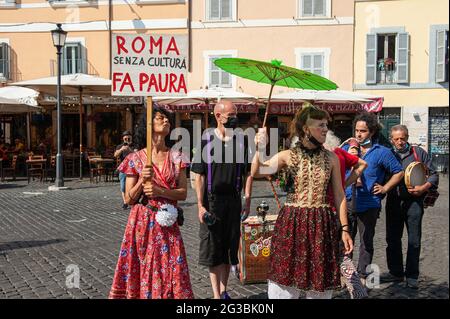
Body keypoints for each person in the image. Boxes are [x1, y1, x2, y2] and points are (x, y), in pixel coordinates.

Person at [250, 106, 353, 299]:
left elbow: (339, 194)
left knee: (319, 281)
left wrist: (345, 228)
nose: (326, 130)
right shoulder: (287, 155)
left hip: (321, 223)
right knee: (285, 278)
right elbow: (258, 172)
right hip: (292, 223)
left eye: (326, 125)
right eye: (320, 125)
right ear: (306, 129)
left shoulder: (331, 158)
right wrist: (259, 148)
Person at [109, 106, 194, 299]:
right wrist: (141, 180)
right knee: (144, 264)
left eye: (168, 119)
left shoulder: (177, 156)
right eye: (160, 118)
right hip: (142, 222)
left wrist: (160, 191)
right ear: (148, 125)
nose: (166, 121)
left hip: (168, 222)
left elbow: (183, 193)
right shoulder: (135, 158)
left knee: (172, 265)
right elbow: (129, 199)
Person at [191, 100, 251, 299]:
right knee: (213, 248)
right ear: (219, 116)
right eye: (232, 114)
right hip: (212, 201)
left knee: (229, 248)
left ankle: (224, 291)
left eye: (236, 114)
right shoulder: (207, 140)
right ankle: (217, 295)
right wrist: (200, 205)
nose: (236, 117)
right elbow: (198, 175)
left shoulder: (241, 141)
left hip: (233, 201)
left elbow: (248, 173)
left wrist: (248, 199)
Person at [341, 112, 404, 287]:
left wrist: (385, 188)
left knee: (366, 242)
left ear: (372, 132)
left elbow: (398, 171)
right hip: (346, 201)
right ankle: (345, 274)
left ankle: (361, 275)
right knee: (345, 240)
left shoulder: (381, 152)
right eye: (356, 130)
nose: (359, 134)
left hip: (369, 203)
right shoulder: (347, 149)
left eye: (363, 131)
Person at [384, 125, 439, 289]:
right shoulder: (388, 153)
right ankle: (396, 272)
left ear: (407, 137)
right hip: (394, 201)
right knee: (392, 239)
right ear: (391, 139)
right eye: (396, 139)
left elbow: (434, 174)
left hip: (414, 202)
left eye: (403, 138)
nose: (400, 142)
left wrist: (423, 187)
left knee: (414, 240)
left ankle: (412, 275)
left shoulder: (418, 153)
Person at [324, 131, 368, 299]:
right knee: (342, 254)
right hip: (338, 209)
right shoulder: (340, 152)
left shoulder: (325, 156)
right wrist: (344, 184)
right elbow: (363, 164)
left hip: (325, 210)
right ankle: (358, 291)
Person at [114, 130, 136, 210]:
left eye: (128, 137)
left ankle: (132, 200)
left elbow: (137, 155)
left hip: (133, 169)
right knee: (123, 186)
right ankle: (125, 202)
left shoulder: (134, 145)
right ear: (123, 138)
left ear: (131, 137)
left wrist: (129, 149)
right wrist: (121, 150)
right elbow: (115, 155)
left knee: (133, 185)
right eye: (125, 137)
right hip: (123, 169)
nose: (127, 139)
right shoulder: (120, 146)